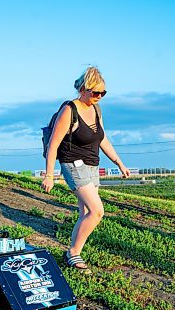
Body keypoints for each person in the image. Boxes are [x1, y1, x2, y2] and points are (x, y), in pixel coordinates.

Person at [41, 66, 130, 273]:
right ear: (83, 89)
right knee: (98, 211)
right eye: (96, 92)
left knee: (86, 212)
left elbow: (103, 139)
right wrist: (49, 175)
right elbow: (54, 144)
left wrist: (119, 163)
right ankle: (73, 252)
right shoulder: (69, 110)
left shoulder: (96, 110)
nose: (100, 96)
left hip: (92, 165)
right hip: (72, 164)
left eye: (103, 93)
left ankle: (73, 252)